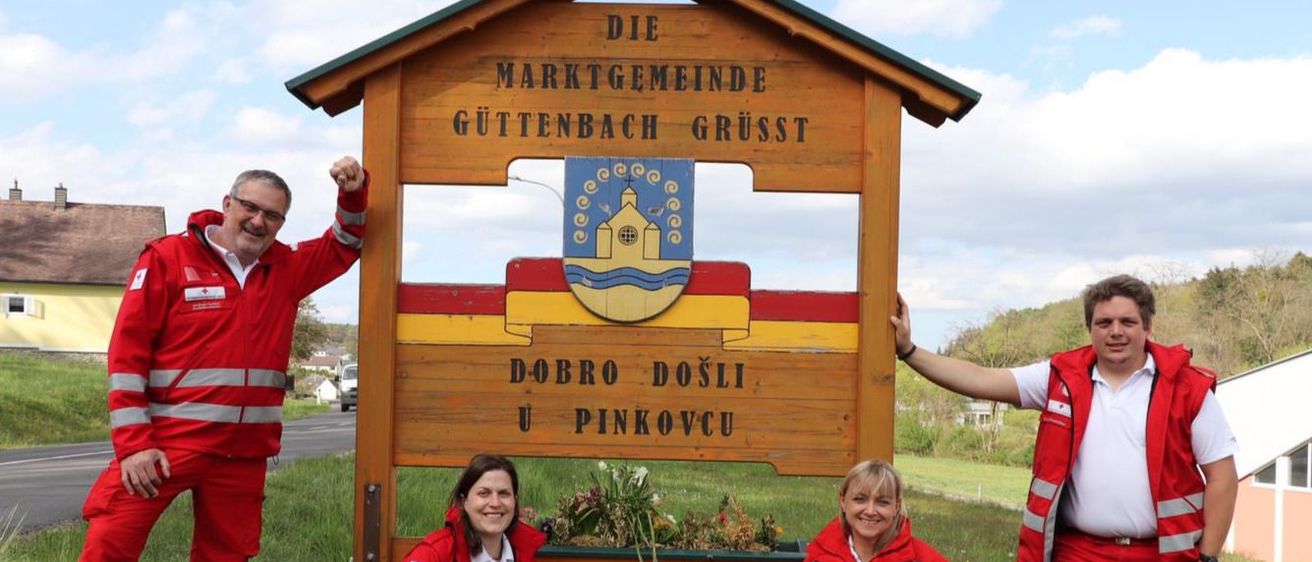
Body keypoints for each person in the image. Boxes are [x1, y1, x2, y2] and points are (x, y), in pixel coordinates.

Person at [78, 157, 369, 561]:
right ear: (227, 203)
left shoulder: (287, 270)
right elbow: (127, 358)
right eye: (250, 207)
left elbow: (346, 241)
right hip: (165, 444)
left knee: (228, 556)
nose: (257, 221)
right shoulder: (168, 258)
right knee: (109, 542)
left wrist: (351, 192)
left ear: (281, 223)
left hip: (243, 454)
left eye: (272, 215)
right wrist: (133, 447)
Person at [890, 274, 1238, 562]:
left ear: (1147, 327)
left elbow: (1222, 478)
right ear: (1091, 328)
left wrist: (1208, 556)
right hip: (1076, 551)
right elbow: (982, 379)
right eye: (1104, 322)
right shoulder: (1060, 379)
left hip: (1158, 554)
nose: (1115, 331)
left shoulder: (1187, 388)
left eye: (1127, 322)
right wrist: (908, 351)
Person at [403, 454, 547, 562]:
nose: (495, 503)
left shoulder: (523, 554)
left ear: (515, 502)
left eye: (504, 493)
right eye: (484, 493)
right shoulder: (433, 554)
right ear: (464, 501)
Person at [805, 459, 946, 562]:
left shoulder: (922, 558)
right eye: (860, 499)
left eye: (882, 502)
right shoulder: (818, 555)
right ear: (843, 501)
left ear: (896, 507)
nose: (870, 511)